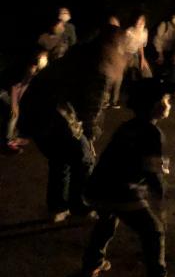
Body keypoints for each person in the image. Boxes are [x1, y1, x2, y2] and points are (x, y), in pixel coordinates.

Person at [81, 79, 175, 277]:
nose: (169, 103)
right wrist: (159, 205)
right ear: (156, 104)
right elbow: (154, 173)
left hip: (99, 187)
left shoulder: (126, 127)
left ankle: (92, 262)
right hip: (122, 190)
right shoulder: (153, 134)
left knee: (108, 218)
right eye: (166, 99)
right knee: (154, 231)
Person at [19, 25, 126, 222]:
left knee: (60, 157)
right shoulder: (100, 64)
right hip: (53, 110)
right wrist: (90, 135)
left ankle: (57, 208)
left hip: (38, 107)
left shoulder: (82, 53)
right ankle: (80, 205)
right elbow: (91, 107)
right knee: (85, 159)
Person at [1, 49, 48, 154]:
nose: (44, 60)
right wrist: (14, 104)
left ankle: (13, 135)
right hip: (3, 90)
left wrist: (18, 103)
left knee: (18, 110)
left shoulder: (35, 70)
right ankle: (8, 141)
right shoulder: (27, 68)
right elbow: (14, 86)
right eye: (42, 58)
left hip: (11, 90)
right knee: (14, 114)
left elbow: (23, 86)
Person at [110, 13, 150, 109]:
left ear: (144, 22)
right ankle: (113, 101)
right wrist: (118, 60)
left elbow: (140, 46)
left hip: (134, 54)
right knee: (118, 77)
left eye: (141, 21)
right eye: (138, 20)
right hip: (123, 54)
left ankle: (149, 97)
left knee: (146, 72)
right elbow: (121, 46)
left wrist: (143, 59)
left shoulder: (144, 32)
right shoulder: (129, 32)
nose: (139, 23)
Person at [154, 12, 175, 94]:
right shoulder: (164, 25)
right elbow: (157, 40)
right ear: (171, 17)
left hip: (172, 50)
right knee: (159, 67)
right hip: (159, 49)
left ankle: (172, 87)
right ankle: (156, 87)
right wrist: (160, 54)